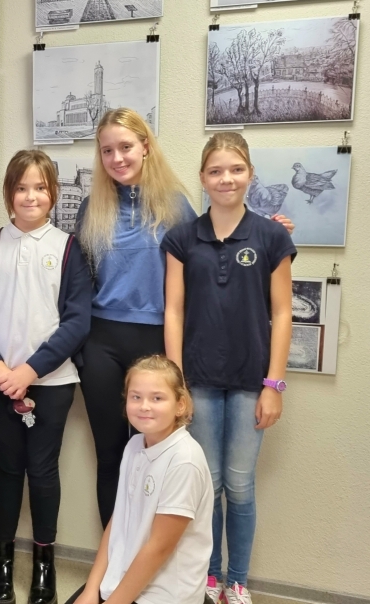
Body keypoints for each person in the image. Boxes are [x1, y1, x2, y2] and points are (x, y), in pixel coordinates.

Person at [75, 108, 295, 529]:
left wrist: (271, 232)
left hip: (158, 342)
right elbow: (79, 279)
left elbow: (214, 246)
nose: (117, 157)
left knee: (162, 454)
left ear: (145, 147)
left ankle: (152, 557)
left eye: (126, 146)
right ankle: (115, 557)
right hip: (101, 342)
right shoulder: (91, 207)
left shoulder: (174, 204)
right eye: (107, 150)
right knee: (111, 455)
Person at [163, 132, 295, 604]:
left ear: (250, 175)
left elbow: (283, 312)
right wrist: (176, 383)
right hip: (197, 380)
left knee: (239, 486)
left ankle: (237, 581)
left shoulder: (272, 236)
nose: (226, 179)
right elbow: (173, 311)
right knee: (208, 485)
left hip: (249, 381)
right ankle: (209, 576)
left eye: (236, 169)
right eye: (216, 171)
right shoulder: (182, 238)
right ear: (202, 178)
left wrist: (273, 385)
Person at [0, 149, 92, 604]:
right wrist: (0, 369)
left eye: (40, 187)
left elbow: (77, 321)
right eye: (21, 188)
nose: (31, 196)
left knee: (43, 470)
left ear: (52, 193)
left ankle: (43, 562)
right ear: (9, 194)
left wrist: (31, 370)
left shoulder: (69, 249)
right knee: (7, 467)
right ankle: (1, 559)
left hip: (52, 382)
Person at [64, 355, 212, 604]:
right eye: (136, 397)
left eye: (157, 398)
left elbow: (159, 548)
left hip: (164, 595)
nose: (144, 406)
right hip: (123, 576)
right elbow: (118, 519)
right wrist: (91, 589)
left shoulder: (184, 460)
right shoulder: (134, 445)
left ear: (180, 405)